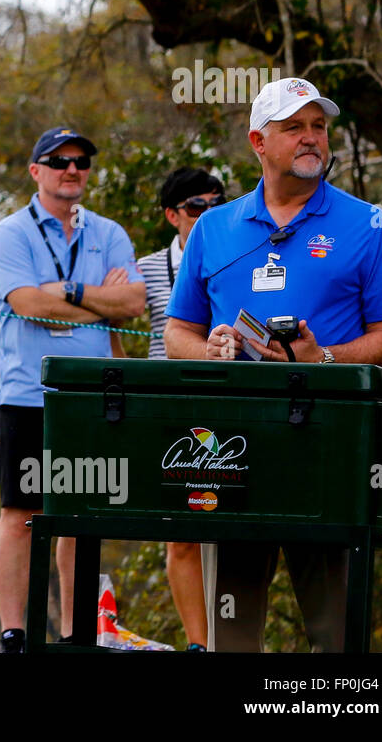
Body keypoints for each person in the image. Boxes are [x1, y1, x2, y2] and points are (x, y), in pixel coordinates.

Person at [164, 77, 382, 652]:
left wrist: (322, 357)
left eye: (320, 127)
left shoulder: (368, 224)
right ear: (259, 141)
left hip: (329, 453)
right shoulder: (212, 227)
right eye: (294, 127)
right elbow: (178, 331)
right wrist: (211, 350)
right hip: (231, 453)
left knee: (336, 636)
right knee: (232, 631)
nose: (312, 139)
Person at [0, 127, 145, 652]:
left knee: (82, 518)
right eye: (58, 161)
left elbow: (133, 306)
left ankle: (78, 637)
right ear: (36, 171)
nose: (72, 169)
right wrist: (101, 297)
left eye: (81, 160)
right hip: (27, 394)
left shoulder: (110, 232)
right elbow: (29, 303)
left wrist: (72, 290)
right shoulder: (12, 232)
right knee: (23, 514)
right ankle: (15, 635)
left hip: (93, 398)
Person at [136, 167, 225, 652]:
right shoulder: (147, 268)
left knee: (232, 526)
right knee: (181, 532)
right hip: (166, 413)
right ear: (172, 215)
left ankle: (229, 639)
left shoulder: (235, 259)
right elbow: (119, 316)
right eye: (196, 206)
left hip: (227, 408)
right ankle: (198, 644)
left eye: (217, 203)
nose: (207, 214)